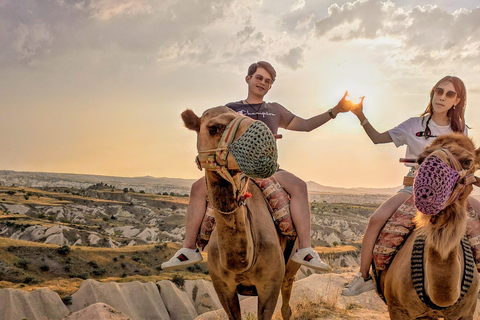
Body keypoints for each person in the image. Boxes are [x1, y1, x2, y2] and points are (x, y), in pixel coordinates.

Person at [162, 61, 352, 271]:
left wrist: (335, 111)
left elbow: (306, 125)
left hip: (267, 170)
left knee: (300, 187)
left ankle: (305, 250)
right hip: (235, 170)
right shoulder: (230, 109)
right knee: (197, 188)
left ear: (271, 86)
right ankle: (188, 249)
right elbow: (210, 135)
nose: (263, 83)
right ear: (248, 79)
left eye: (268, 81)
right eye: (259, 78)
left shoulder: (275, 110)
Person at [341, 75, 480, 296]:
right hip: (415, 187)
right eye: (439, 91)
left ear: (457, 100)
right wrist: (361, 115)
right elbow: (378, 138)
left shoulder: (460, 131)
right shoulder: (414, 124)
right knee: (376, 219)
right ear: (433, 93)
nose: (442, 97)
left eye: (449, 94)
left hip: (450, 192)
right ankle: (364, 276)